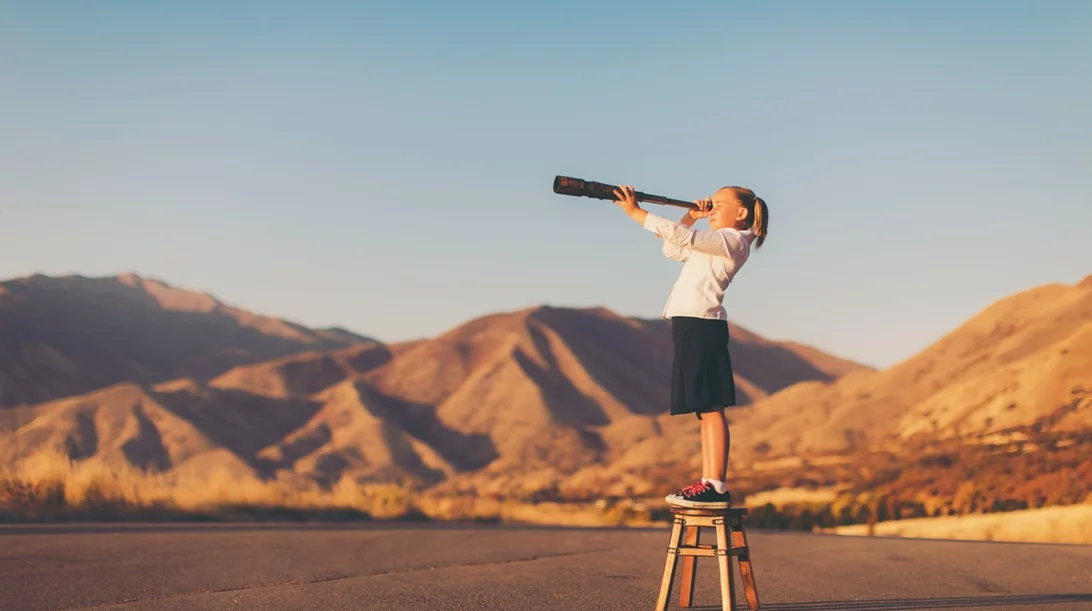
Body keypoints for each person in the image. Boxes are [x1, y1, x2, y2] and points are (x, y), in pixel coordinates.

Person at [612, 183, 768, 508]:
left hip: (702, 325)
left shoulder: (733, 240)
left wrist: (636, 213)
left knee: (712, 406)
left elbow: (684, 238)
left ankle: (717, 484)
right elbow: (673, 248)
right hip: (691, 324)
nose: (711, 208)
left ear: (741, 213)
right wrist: (691, 216)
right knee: (704, 408)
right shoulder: (714, 243)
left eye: (719, 204)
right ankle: (709, 481)